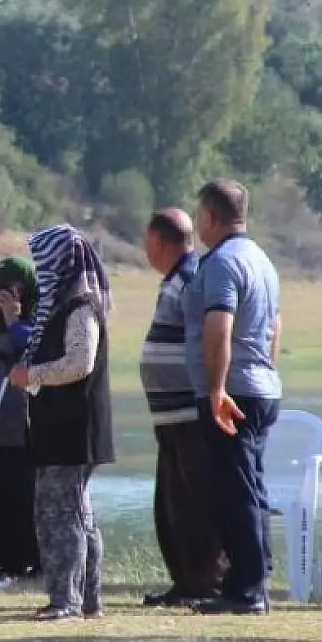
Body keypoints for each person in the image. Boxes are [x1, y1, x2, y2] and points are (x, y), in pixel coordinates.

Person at [185, 179, 283, 617]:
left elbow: (219, 325)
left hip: (235, 391)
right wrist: (268, 371)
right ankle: (253, 576)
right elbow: (275, 326)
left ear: (209, 216)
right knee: (250, 486)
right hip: (261, 385)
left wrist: (216, 388)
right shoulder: (261, 260)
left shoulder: (223, 263)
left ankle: (247, 588)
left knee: (235, 490)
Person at [8, 224, 115, 623]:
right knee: (76, 512)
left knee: (62, 512)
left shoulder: (80, 306)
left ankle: (66, 600)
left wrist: (32, 374)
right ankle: (87, 599)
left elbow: (79, 363)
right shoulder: (64, 304)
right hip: (60, 424)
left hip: (74, 425)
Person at [141, 209, 223, 608]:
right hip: (171, 417)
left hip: (188, 413)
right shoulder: (175, 279)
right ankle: (186, 581)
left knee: (193, 503)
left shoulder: (189, 278)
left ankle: (205, 581)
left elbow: (202, 338)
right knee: (171, 504)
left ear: (158, 241)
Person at [0, 256, 39, 585]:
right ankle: (3, 560)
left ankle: (26, 561)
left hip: (21, 426)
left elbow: (32, 350)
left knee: (21, 495)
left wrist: (14, 319)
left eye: (6, 287)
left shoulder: (34, 321)